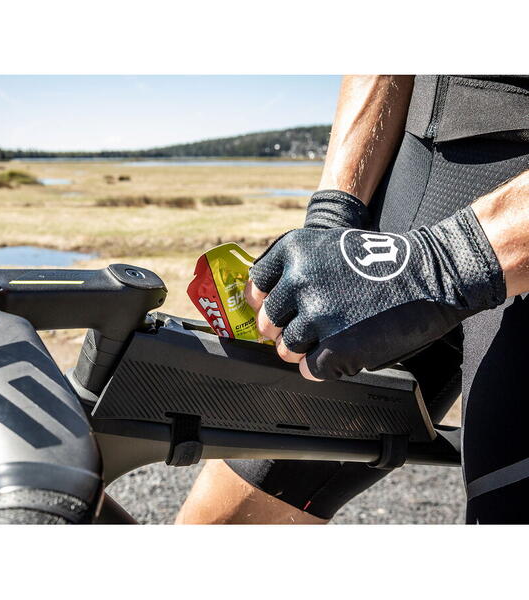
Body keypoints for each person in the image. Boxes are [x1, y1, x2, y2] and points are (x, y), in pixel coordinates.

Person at [176, 75, 529, 525]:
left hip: (498, 250)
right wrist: (333, 213)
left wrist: (449, 260)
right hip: (397, 219)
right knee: (222, 521)